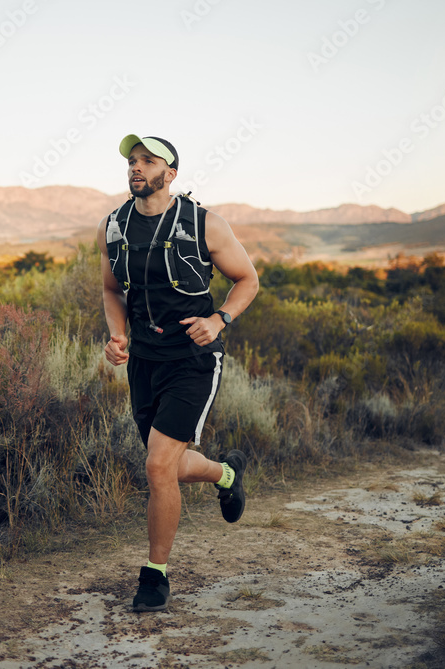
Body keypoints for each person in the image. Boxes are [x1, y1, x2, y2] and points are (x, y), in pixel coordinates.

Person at [97, 134, 259, 612]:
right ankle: (226, 474)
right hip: (144, 361)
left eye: (148, 161)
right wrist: (117, 335)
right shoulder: (113, 226)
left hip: (192, 359)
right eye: (133, 160)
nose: (136, 167)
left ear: (170, 174)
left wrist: (219, 319)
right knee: (167, 464)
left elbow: (247, 279)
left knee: (156, 466)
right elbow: (111, 289)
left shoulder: (204, 223)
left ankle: (155, 575)